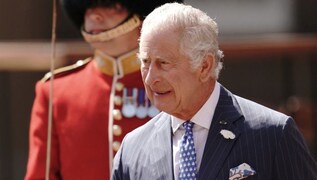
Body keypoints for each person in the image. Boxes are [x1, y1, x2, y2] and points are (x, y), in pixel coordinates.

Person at [112, 2, 317, 180]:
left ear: (204, 66)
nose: (150, 78)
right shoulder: (132, 150)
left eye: (163, 63)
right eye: (145, 62)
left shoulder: (273, 134)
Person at [25, 0, 183, 179]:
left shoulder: (176, 83)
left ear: (142, 15)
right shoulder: (55, 91)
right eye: (87, 7)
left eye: (112, 5)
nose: (94, 15)